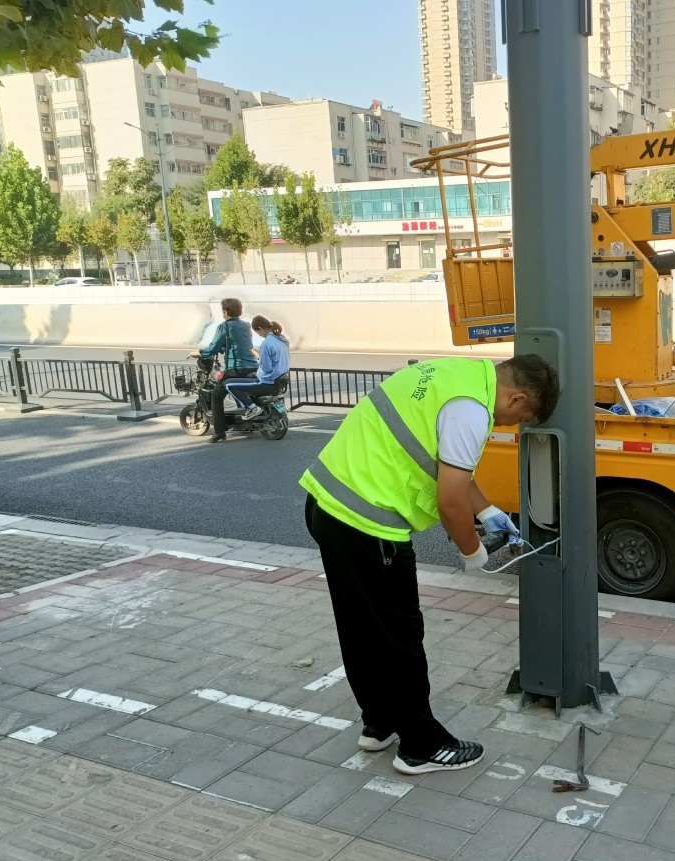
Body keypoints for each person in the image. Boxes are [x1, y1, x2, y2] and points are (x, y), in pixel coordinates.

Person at [300, 355, 559, 775]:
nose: (509, 425)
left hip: (328, 504)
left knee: (362, 626)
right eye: (518, 417)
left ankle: (379, 724)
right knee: (399, 634)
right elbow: (450, 498)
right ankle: (422, 745)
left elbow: (443, 464)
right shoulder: (472, 410)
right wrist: (473, 553)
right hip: (368, 524)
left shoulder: (457, 375)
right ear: (517, 396)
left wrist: (489, 510)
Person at [189, 297, 257, 443]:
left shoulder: (224, 327)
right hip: (252, 366)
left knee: (216, 396)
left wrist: (200, 353)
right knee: (239, 389)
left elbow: (213, 347)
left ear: (225, 311)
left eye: (223, 311)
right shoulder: (246, 325)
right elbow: (238, 344)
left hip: (236, 369)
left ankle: (219, 432)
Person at [227, 316, 291, 420]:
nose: (259, 335)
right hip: (280, 380)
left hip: (266, 382)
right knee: (250, 377)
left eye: (257, 333)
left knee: (229, 384)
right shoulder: (283, 340)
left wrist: (258, 356)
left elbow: (266, 368)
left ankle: (253, 408)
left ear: (260, 328)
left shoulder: (266, 344)